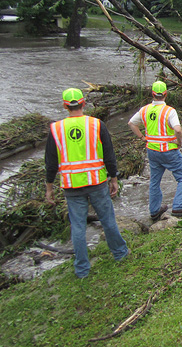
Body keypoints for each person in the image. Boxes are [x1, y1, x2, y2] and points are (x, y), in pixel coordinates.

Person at [45, 88, 129, 279]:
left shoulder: (56, 129)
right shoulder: (96, 125)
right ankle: (120, 254)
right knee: (107, 219)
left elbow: (50, 164)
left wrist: (49, 189)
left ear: (65, 106)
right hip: (96, 181)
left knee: (78, 226)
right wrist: (113, 178)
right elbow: (109, 154)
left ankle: (82, 268)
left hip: (71, 185)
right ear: (84, 103)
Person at [128, 81, 182, 220]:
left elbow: (131, 123)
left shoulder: (144, 110)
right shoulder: (170, 111)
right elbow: (177, 129)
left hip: (152, 150)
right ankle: (178, 206)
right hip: (168, 150)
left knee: (154, 181)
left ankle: (154, 210)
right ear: (165, 94)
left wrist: (142, 137)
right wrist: (179, 142)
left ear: (152, 94)